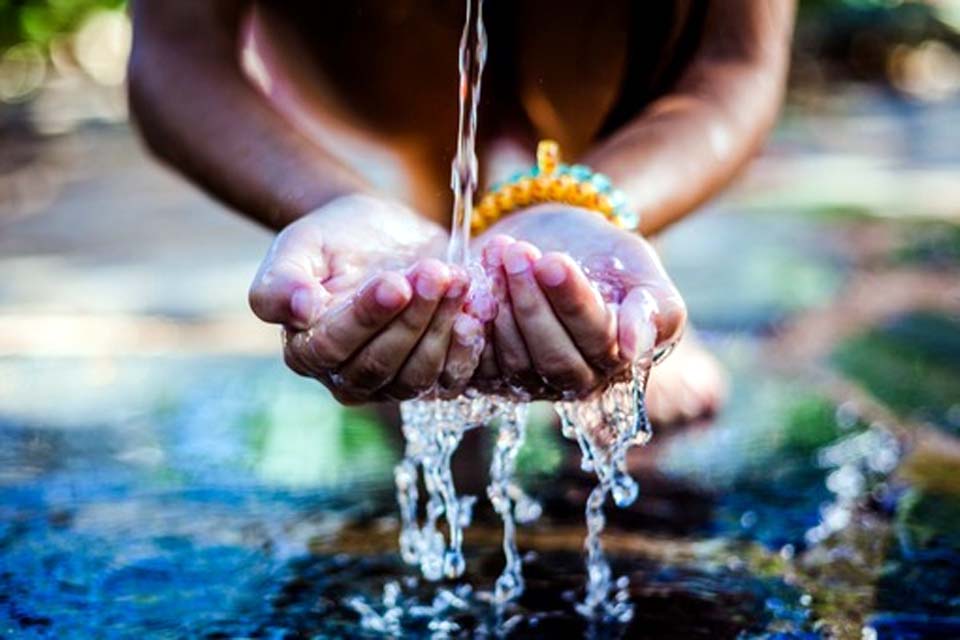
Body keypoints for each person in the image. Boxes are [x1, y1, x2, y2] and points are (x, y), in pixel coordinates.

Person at [129, 1, 794, 424]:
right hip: (377, 67)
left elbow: (737, 62)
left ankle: (612, 258)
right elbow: (176, 52)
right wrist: (332, 202)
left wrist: (592, 203)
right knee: (407, 368)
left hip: (609, 54)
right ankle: (419, 215)